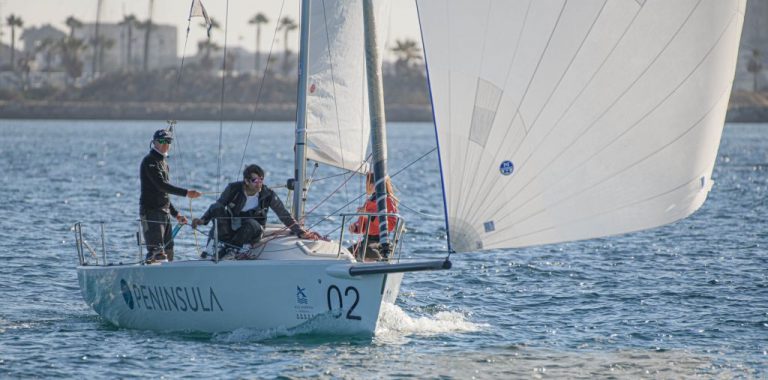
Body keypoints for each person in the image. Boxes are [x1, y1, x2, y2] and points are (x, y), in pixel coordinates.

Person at [192, 164, 320, 258]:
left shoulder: (267, 194)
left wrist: (300, 231)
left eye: (261, 179)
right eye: (255, 180)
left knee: (250, 223)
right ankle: (220, 246)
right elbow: (217, 207)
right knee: (217, 207)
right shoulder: (233, 189)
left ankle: (232, 250)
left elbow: (283, 214)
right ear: (246, 181)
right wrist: (202, 220)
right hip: (232, 227)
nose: (259, 183)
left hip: (254, 230)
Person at [140, 128, 202, 263]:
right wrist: (187, 193)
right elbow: (161, 185)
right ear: (154, 142)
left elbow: (164, 193)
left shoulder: (164, 163)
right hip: (151, 212)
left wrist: (176, 214)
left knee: (169, 252)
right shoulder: (149, 161)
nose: (165, 144)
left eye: (168, 141)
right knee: (157, 253)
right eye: (162, 141)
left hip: (164, 213)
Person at [348, 172, 399, 261]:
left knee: (367, 251)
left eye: (368, 183)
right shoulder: (369, 200)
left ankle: (382, 263)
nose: (367, 186)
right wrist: (355, 227)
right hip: (367, 239)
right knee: (346, 253)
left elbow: (391, 225)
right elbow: (363, 224)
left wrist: (369, 216)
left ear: (374, 184)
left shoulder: (387, 200)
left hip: (379, 240)